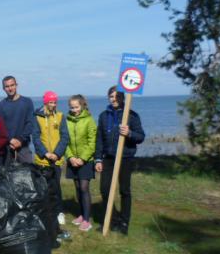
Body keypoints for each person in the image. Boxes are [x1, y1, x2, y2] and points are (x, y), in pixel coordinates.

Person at [95, 86, 145, 235]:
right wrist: (98, 159)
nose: (114, 99)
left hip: (125, 158)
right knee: (104, 190)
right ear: (108, 98)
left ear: (123, 98)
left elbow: (141, 136)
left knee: (124, 191)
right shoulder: (104, 116)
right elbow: (99, 139)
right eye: (111, 96)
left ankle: (124, 223)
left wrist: (129, 133)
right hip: (108, 159)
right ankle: (112, 220)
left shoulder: (131, 116)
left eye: (117, 96)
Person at [33, 90, 70, 242]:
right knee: (44, 189)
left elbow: (65, 136)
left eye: (55, 102)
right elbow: (35, 137)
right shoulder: (37, 117)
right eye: (50, 102)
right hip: (42, 160)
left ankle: (58, 212)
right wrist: (45, 154)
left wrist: (57, 153)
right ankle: (45, 213)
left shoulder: (60, 116)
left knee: (56, 187)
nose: (53, 105)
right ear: (45, 102)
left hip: (56, 159)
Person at [65, 94, 97, 232]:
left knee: (84, 188)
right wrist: (71, 157)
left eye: (76, 107)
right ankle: (81, 214)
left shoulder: (89, 120)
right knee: (77, 188)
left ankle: (87, 219)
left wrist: (82, 158)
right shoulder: (67, 121)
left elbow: (92, 142)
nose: (74, 110)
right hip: (72, 160)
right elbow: (64, 140)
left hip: (86, 160)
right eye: (71, 107)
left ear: (83, 106)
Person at [0, 76, 40, 164]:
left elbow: (30, 123)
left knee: (27, 174)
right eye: (7, 86)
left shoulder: (27, 102)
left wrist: (20, 139)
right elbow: (0, 127)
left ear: (16, 85)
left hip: (23, 146)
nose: (10, 88)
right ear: (3, 88)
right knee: (7, 175)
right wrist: (10, 139)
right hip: (7, 147)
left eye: (12, 85)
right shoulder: (0, 106)